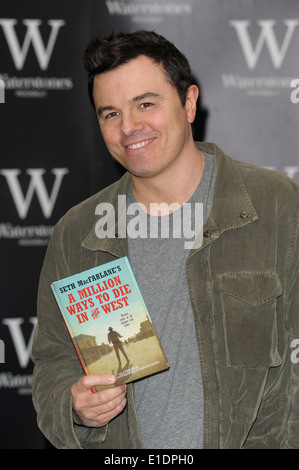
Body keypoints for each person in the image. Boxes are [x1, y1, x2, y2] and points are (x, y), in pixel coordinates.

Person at [31, 30, 299, 449]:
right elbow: (52, 365)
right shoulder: (78, 233)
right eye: (110, 114)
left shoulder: (278, 205)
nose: (129, 127)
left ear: (188, 103)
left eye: (145, 104)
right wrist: (74, 405)